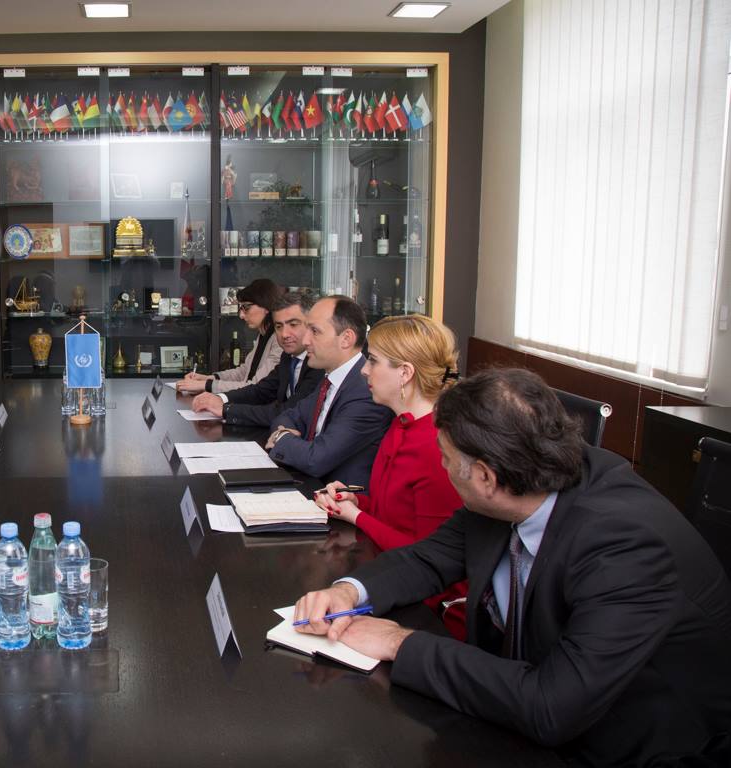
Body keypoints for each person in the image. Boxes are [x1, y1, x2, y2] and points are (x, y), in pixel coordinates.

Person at [293, 368, 731, 767]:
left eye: (445, 458)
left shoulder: (625, 547)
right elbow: (428, 558)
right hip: (530, 709)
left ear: (485, 477)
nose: (441, 466)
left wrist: (398, 642)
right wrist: (348, 591)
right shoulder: (517, 480)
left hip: (630, 747)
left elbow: (551, 708)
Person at [313, 314, 467, 639]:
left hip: (427, 613)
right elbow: (395, 513)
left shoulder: (437, 447)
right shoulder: (400, 424)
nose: (364, 370)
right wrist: (358, 502)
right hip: (388, 574)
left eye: (373, 361)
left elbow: (426, 557)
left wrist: (356, 516)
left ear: (405, 373)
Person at [265, 296, 391, 485]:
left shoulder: (365, 391)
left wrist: (281, 437)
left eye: (315, 331)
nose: (305, 340)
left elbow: (316, 459)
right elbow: (288, 416)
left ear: (346, 339)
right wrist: (286, 435)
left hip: (339, 498)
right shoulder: (330, 379)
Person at [190, 291, 324, 428]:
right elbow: (261, 391)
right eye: (279, 326)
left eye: (293, 325)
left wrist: (226, 410)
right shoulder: (288, 356)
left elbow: (289, 411)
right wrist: (220, 398)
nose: (284, 334)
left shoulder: (319, 363)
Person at [177, 278, 283, 395]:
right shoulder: (263, 335)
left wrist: (206, 385)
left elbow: (255, 386)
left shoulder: (279, 340)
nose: (241, 315)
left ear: (266, 306)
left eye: (246, 307)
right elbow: (244, 372)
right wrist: (208, 378)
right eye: (241, 308)